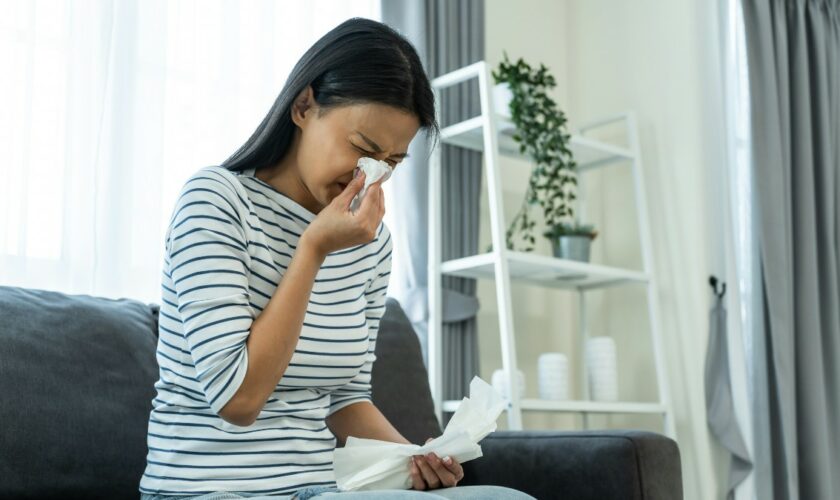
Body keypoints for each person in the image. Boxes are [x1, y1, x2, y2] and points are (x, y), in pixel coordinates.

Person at [139, 17, 535, 500]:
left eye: (391, 163)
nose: (370, 176)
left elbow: (346, 398)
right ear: (304, 106)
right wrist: (313, 249)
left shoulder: (373, 244)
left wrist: (416, 457)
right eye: (363, 148)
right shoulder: (216, 201)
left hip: (319, 491)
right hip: (205, 491)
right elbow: (238, 399)